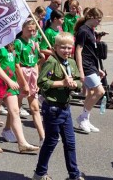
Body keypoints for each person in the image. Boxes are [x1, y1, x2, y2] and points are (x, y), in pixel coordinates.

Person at [33, 32, 84, 180]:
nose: (66, 51)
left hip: (65, 107)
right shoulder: (52, 62)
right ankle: (40, 173)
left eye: (69, 48)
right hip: (52, 108)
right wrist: (61, 83)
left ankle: (74, 175)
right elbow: (42, 83)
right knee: (51, 141)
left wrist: (75, 85)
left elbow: (79, 82)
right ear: (55, 47)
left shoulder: (72, 63)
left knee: (70, 143)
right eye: (63, 48)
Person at [0, 40, 40, 154]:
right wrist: (8, 80)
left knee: (15, 111)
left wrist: (23, 83)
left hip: (10, 82)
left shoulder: (12, 45)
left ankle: (22, 143)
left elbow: (16, 65)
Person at [74, 8, 105, 134]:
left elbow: (91, 51)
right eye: (98, 19)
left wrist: (98, 69)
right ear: (91, 16)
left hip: (92, 65)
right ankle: (82, 118)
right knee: (99, 91)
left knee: (92, 92)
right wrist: (80, 70)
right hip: (85, 66)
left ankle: (85, 118)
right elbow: (78, 51)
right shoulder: (82, 31)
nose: (99, 22)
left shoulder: (91, 31)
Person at [15, 19, 45, 145]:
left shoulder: (34, 42)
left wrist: (36, 81)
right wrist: (25, 83)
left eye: (34, 30)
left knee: (35, 108)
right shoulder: (18, 43)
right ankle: (7, 129)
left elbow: (36, 63)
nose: (32, 32)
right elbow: (16, 64)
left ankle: (43, 136)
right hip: (22, 74)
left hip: (32, 74)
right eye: (29, 30)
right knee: (16, 107)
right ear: (23, 29)